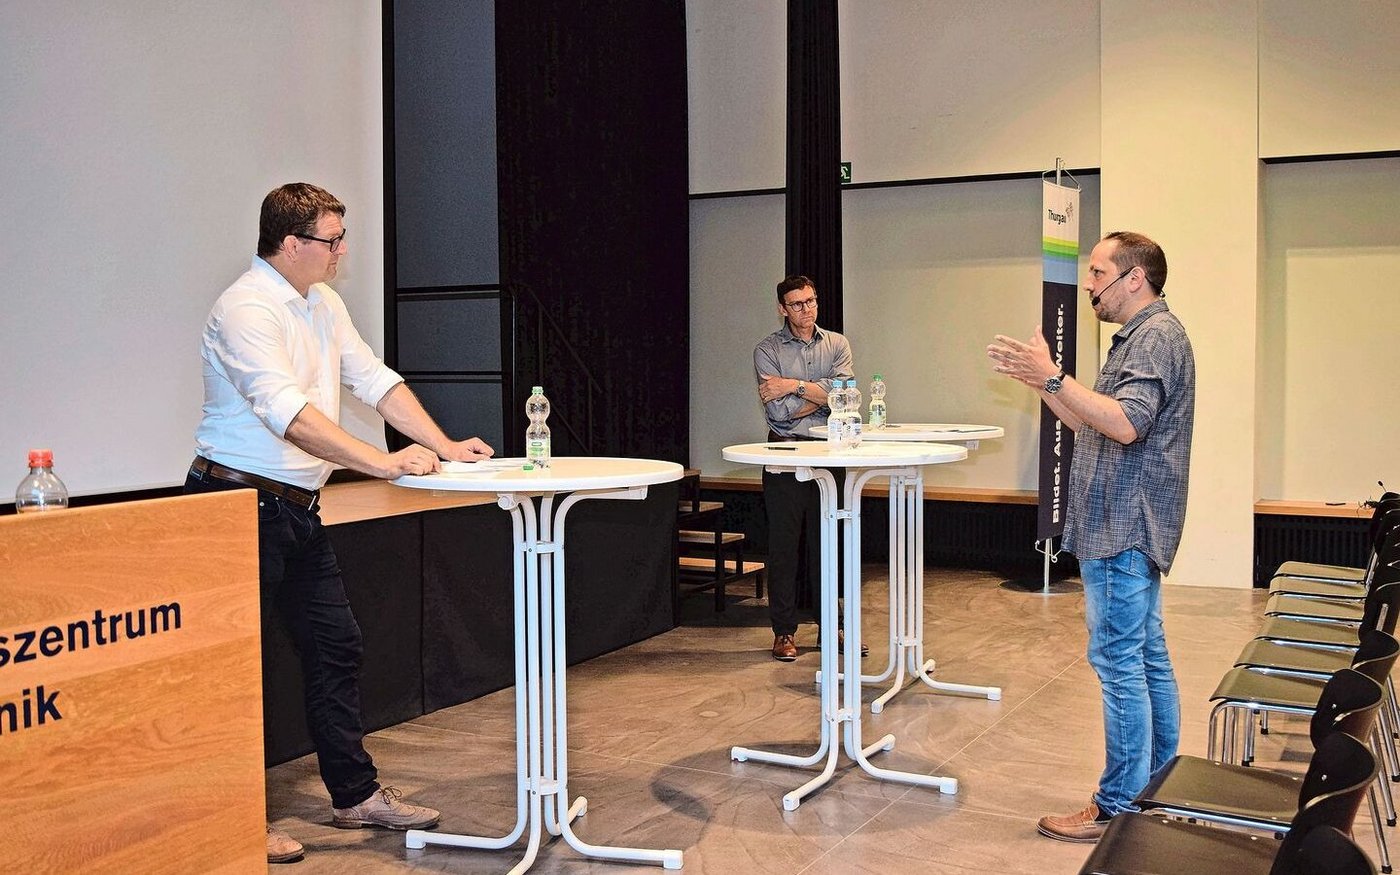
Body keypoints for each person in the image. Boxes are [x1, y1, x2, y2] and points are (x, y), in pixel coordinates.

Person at [185, 183, 495, 864]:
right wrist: (380, 464)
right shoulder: (246, 308)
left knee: (336, 643)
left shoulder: (321, 303)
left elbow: (375, 381)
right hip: (234, 506)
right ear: (292, 243)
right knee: (238, 670)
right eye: (332, 239)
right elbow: (290, 415)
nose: (342, 251)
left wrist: (443, 445)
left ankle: (353, 795)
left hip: (296, 507)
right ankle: (235, 818)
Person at [986, 231, 1195, 843]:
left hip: (1124, 524)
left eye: (1099, 272)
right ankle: (1156, 787)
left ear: (1136, 278)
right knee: (1146, 655)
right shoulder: (1139, 337)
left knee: (1119, 660)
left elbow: (1127, 425)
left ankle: (1119, 805)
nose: (1089, 285)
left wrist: (1054, 379)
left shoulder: (1154, 337)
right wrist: (1041, 383)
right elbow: (1091, 421)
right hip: (1120, 522)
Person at [753, 275, 864, 661]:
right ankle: (783, 632)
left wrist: (794, 386)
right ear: (783, 308)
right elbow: (779, 416)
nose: (807, 309)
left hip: (828, 454)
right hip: (783, 453)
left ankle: (832, 627)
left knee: (829, 544)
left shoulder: (837, 343)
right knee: (784, 548)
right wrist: (823, 393)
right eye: (798, 304)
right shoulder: (767, 350)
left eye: (812, 301)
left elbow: (847, 397)